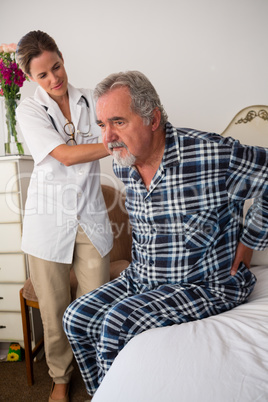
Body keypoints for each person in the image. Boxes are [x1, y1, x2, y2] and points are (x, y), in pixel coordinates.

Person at [63, 71, 268, 397]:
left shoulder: (211, 155)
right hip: (142, 278)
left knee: (118, 322)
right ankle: (100, 391)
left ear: (153, 118)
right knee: (76, 317)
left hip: (205, 285)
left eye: (118, 122)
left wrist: (250, 241)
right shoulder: (122, 161)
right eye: (102, 125)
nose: (107, 138)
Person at [15, 31, 113, 402]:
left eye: (57, 66)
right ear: (30, 78)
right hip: (49, 221)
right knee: (54, 311)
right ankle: (60, 376)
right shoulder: (28, 110)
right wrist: (115, 142)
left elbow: (118, 126)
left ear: (61, 57)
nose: (55, 78)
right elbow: (66, 156)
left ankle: (95, 368)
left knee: (94, 305)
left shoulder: (93, 99)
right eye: (43, 75)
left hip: (90, 216)